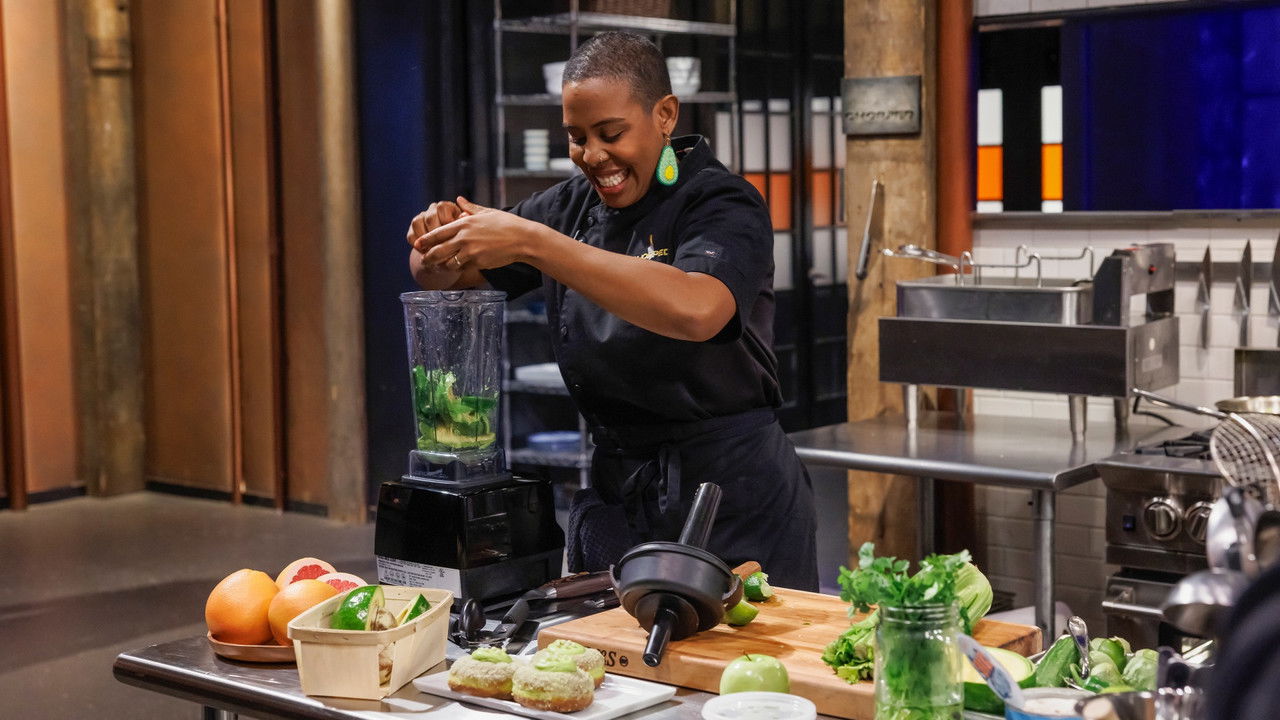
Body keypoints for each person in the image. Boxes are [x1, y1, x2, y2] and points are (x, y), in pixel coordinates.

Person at [405, 31, 818, 590]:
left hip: (731, 498)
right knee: (611, 646)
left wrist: (537, 243)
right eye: (576, 137)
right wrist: (431, 240)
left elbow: (699, 309)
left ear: (665, 114)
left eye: (611, 133)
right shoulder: (570, 208)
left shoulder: (722, 201)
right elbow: (441, 273)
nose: (592, 155)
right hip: (620, 496)